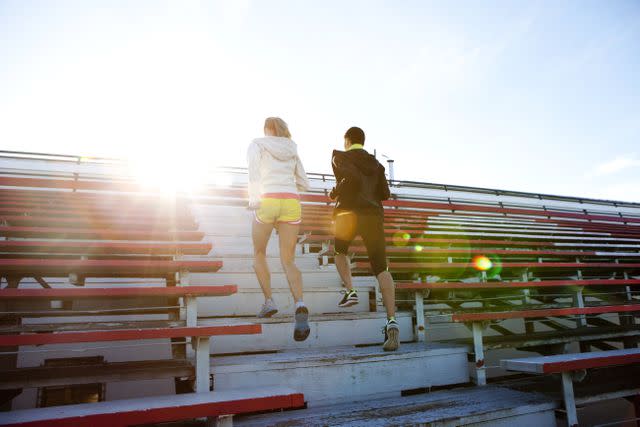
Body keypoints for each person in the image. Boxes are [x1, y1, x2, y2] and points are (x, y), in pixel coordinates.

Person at [329, 126, 399, 351]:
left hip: (348, 212)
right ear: (363, 141)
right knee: (381, 267)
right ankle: (392, 321)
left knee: (339, 251)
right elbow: (385, 194)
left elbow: (350, 179)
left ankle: (350, 291)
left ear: (347, 140)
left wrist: (334, 192)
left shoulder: (339, 156)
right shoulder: (377, 165)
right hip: (372, 215)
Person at [247, 117, 311, 342]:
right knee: (289, 260)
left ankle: (269, 301)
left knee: (259, 252)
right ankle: (300, 304)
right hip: (291, 201)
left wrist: (254, 199)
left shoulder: (258, 143)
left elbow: (253, 172)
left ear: (267, 130)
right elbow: (304, 181)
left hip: (269, 199)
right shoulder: (292, 148)